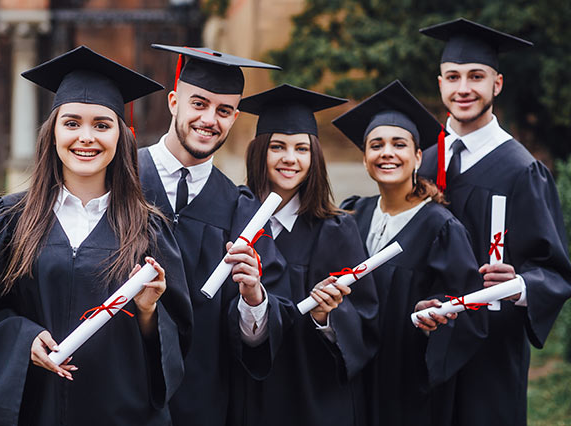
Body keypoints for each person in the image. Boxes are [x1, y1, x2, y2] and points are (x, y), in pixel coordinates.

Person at [0, 46, 192, 426]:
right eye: (71, 123)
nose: (85, 137)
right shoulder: (8, 219)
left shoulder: (149, 229)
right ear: (52, 132)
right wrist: (22, 338)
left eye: (101, 125)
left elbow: (176, 344)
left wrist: (147, 309)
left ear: (121, 137)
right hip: (31, 411)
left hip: (120, 413)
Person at [418, 18, 571, 425]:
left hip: (491, 353)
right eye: (453, 77)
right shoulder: (424, 161)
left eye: (476, 76)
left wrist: (519, 284)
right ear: (440, 85)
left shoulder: (522, 170)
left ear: (496, 84)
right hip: (426, 341)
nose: (463, 88)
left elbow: (554, 271)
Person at [138, 46, 294, 426]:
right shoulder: (123, 178)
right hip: (118, 389)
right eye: (199, 104)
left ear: (235, 117)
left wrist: (253, 296)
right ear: (174, 102)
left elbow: (261, 336)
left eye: (223, 111)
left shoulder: (241, 210)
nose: (210, 119)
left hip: (200, 400)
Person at [335, 80, 487, 426]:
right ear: (364, 158)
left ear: (418, 156)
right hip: (354, 381)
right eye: (376, 145)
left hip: (408, 387)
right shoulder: (353, 216)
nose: (387, 152)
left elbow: (470, 309)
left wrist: (434, 314)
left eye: (399, 144)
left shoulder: (441, 228)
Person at [226, 84, 379, 425]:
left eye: (301, 148)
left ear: (315, 157)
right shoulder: (236, 217)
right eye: (277, 146)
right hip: (251, 394)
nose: (290, 159)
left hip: (315, 396)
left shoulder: (337, 230)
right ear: (259, 152)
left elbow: (365, 319)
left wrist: (325, 318)